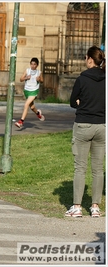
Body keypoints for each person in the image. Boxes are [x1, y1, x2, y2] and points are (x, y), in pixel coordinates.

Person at [65, 46, 106, 218]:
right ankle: (95, 207)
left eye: (85, 58)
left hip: (83, 125)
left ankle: (77, 207)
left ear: (89, 59)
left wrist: (82, 102)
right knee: (98, 169)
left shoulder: (82, 79)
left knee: (80, 168)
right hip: (102, 126)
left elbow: (72, 102)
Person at [15, 57, 45, 129]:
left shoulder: (39, 72)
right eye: (31, 64)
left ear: (37, 65)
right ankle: (38, 114)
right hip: (27, 90)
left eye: (34, 64)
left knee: (26, 104)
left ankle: (21, 121)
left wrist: (39, 79)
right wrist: (26, 78)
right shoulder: (27, 71)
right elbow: (21, 79)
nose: (33, 66)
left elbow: (42, 81)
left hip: (34, 90)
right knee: (32, 107)